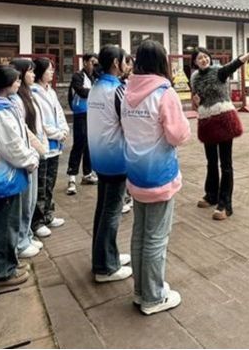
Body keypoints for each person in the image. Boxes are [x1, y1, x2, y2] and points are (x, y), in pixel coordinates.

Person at [121, 40, 190, 315]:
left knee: (140, 232)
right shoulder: (164, 93)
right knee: (156, 237)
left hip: (136, 172)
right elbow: (178, 135)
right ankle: (153, 296)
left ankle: (141, 290)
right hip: (159, 174)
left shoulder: (127, 91)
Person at [190, 42, 249, 220]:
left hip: (223, 120)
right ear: (194, 62)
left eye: (205, 56)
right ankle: (211, 195)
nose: (203, 60)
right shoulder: (194, 78)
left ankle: (225, 204)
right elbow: (195, 100)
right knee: (211, 161)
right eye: (199, 58)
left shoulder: (219, 72)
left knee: (225, 164)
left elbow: (236, 63)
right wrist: (196, 101)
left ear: (209, 58)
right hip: (206, 121)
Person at [0, 66, 39, 287]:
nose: (19, 83)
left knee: (9, 222)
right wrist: (30, 159)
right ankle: (2, 271)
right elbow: (12, 145)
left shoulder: (3, 106)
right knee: (5, 224)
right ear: (6, 84)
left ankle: (8, 263)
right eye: (16, 80)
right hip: (7, 176)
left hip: (11, 175)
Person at [87, 45, 132, 283]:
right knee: (112, 212)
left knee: (103, 209)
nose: (128, 65)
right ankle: (105, 267)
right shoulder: (117, 90)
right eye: (125, 61)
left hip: (99, 155)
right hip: (116, 158)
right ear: (116, 63)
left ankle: (105, 255)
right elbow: (129, 123)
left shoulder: (96, 86)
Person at [9, 58, 48, 259]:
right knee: (25, 201)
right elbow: (22, 130)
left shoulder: (28, 94)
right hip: (28, 155)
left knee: (31, 200)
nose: (33, 75)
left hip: (34, 153)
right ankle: (21, 241)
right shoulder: (15, 99)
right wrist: (36, 149)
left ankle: (27, 235)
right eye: (30, 72)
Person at [31, 57, 68, 238]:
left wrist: (64, 129)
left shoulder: (50, 91)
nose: (52, 72)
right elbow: (41, 122)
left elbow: (59, 113)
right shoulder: (34, 93)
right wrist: (57, 133)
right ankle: (37, 221)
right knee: (41, 183)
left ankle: (48, 214)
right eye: (49, 70)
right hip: (45, 143)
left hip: (55, 144)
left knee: (50, 183)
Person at [66, 53, 99, 194]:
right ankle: (72, 176)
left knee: (90, 144)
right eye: (92, 62)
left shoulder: (95, 76)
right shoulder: (78, 76)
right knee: (79, 143)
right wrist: (97, 91)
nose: (94, 65)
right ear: (85, 62)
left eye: (96, 63)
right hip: (80, 114)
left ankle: (87, 173)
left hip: (92, 113)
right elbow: (81, 92)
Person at [120, 53, 134, 215]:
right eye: (126, 63)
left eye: (130, 64)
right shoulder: (118, 84)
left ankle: (130, 195)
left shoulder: (135, 83)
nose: (129, 67)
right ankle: (124, 197)